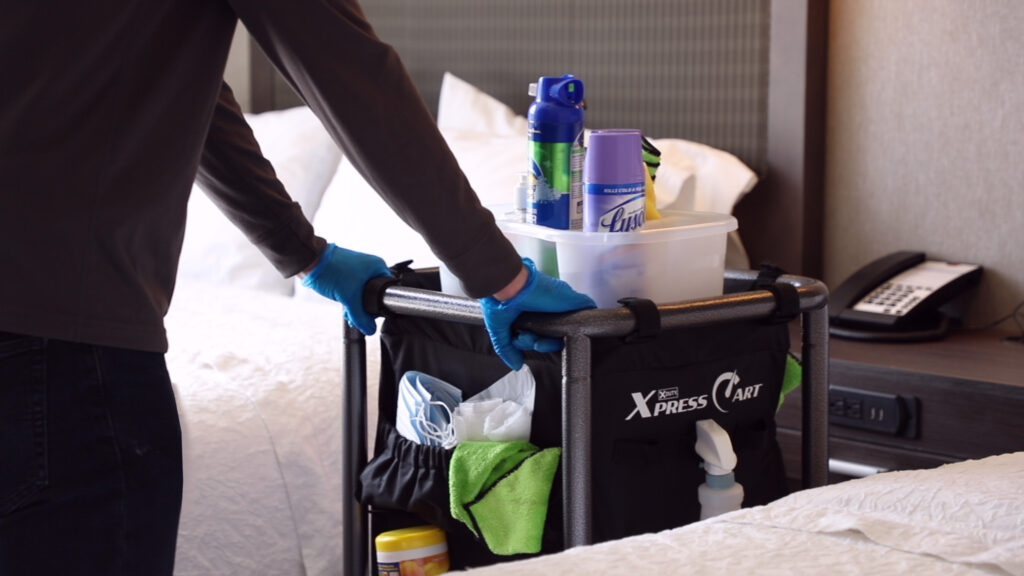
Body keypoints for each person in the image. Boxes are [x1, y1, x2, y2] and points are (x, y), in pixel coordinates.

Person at [0, 1, 595, 574]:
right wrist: (503, 275)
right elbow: (355, 77)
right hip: (60, 342)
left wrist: (304, 254)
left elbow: (177, 95)